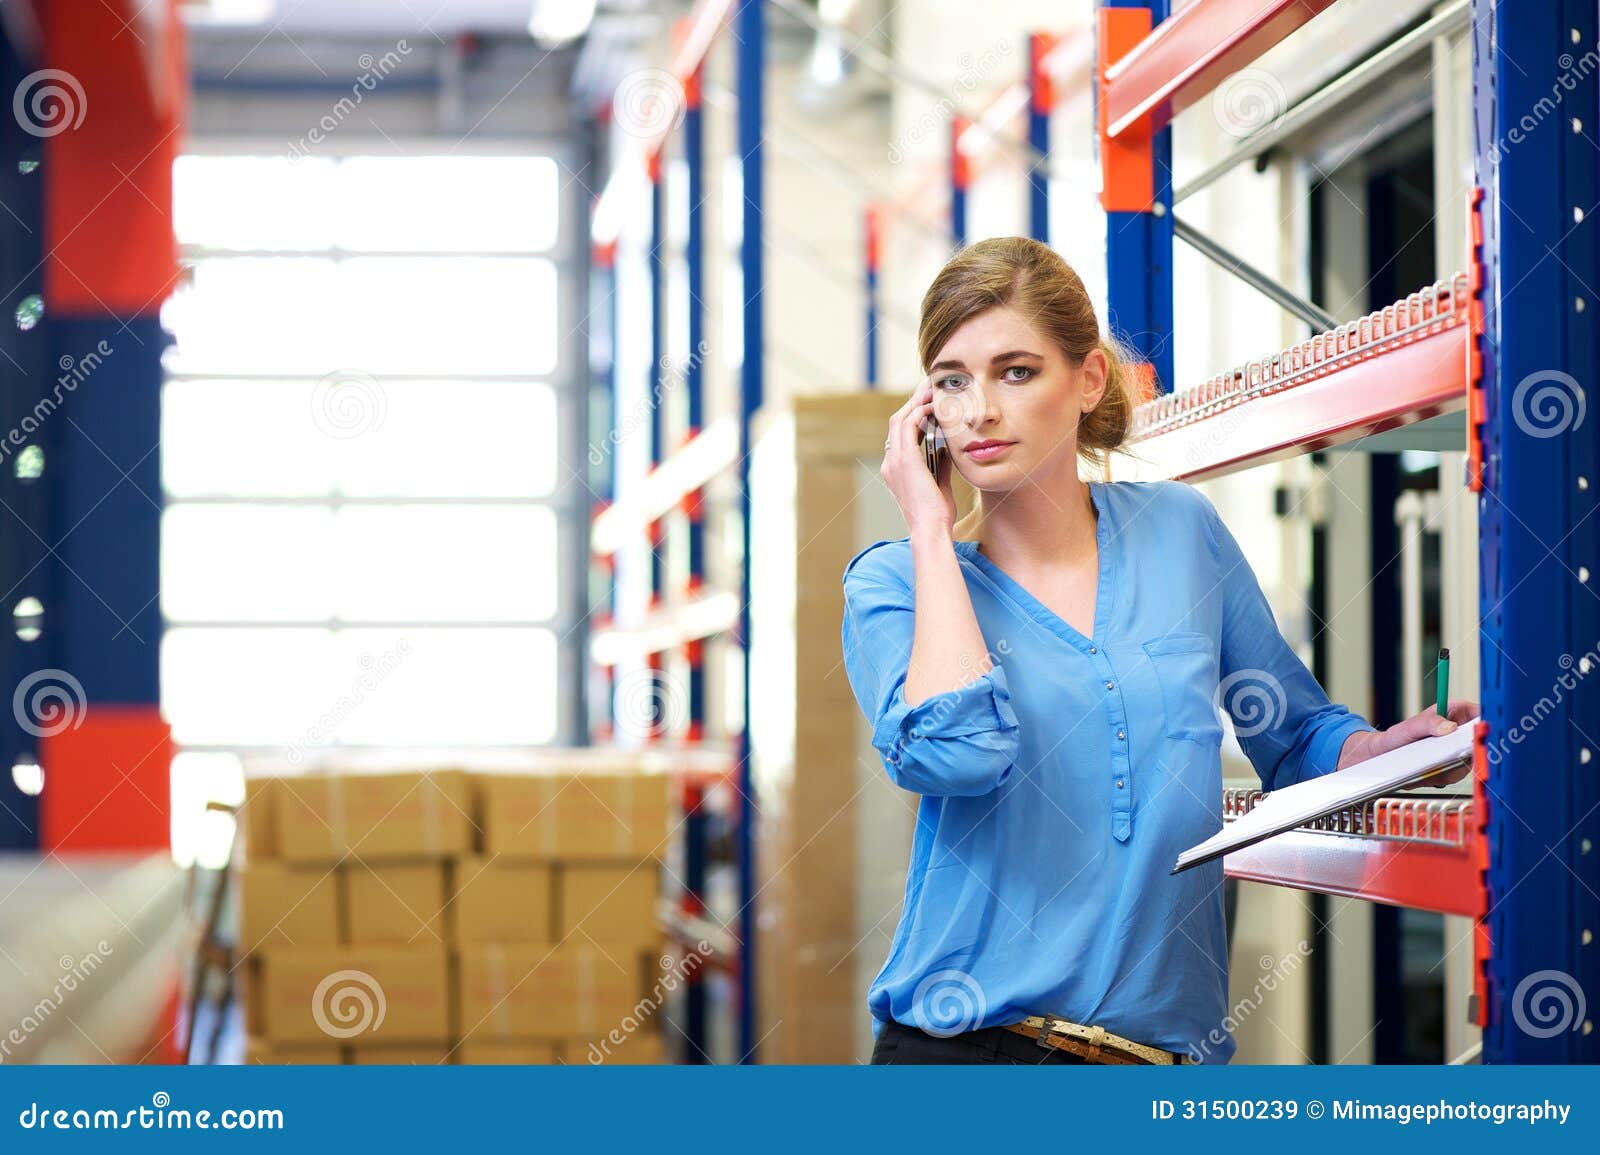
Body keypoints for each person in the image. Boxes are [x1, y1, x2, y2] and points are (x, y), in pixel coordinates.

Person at [840, 235, 1477, 1066]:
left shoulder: (1182, 533)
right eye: (951, 381)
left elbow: (1294, 732)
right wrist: (929, 525)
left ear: (1087, 380)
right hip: (965, 1060)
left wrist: (1374, 750)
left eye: (1017, 371)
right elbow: (958, 755)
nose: (979, 411)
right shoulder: (897, 584)